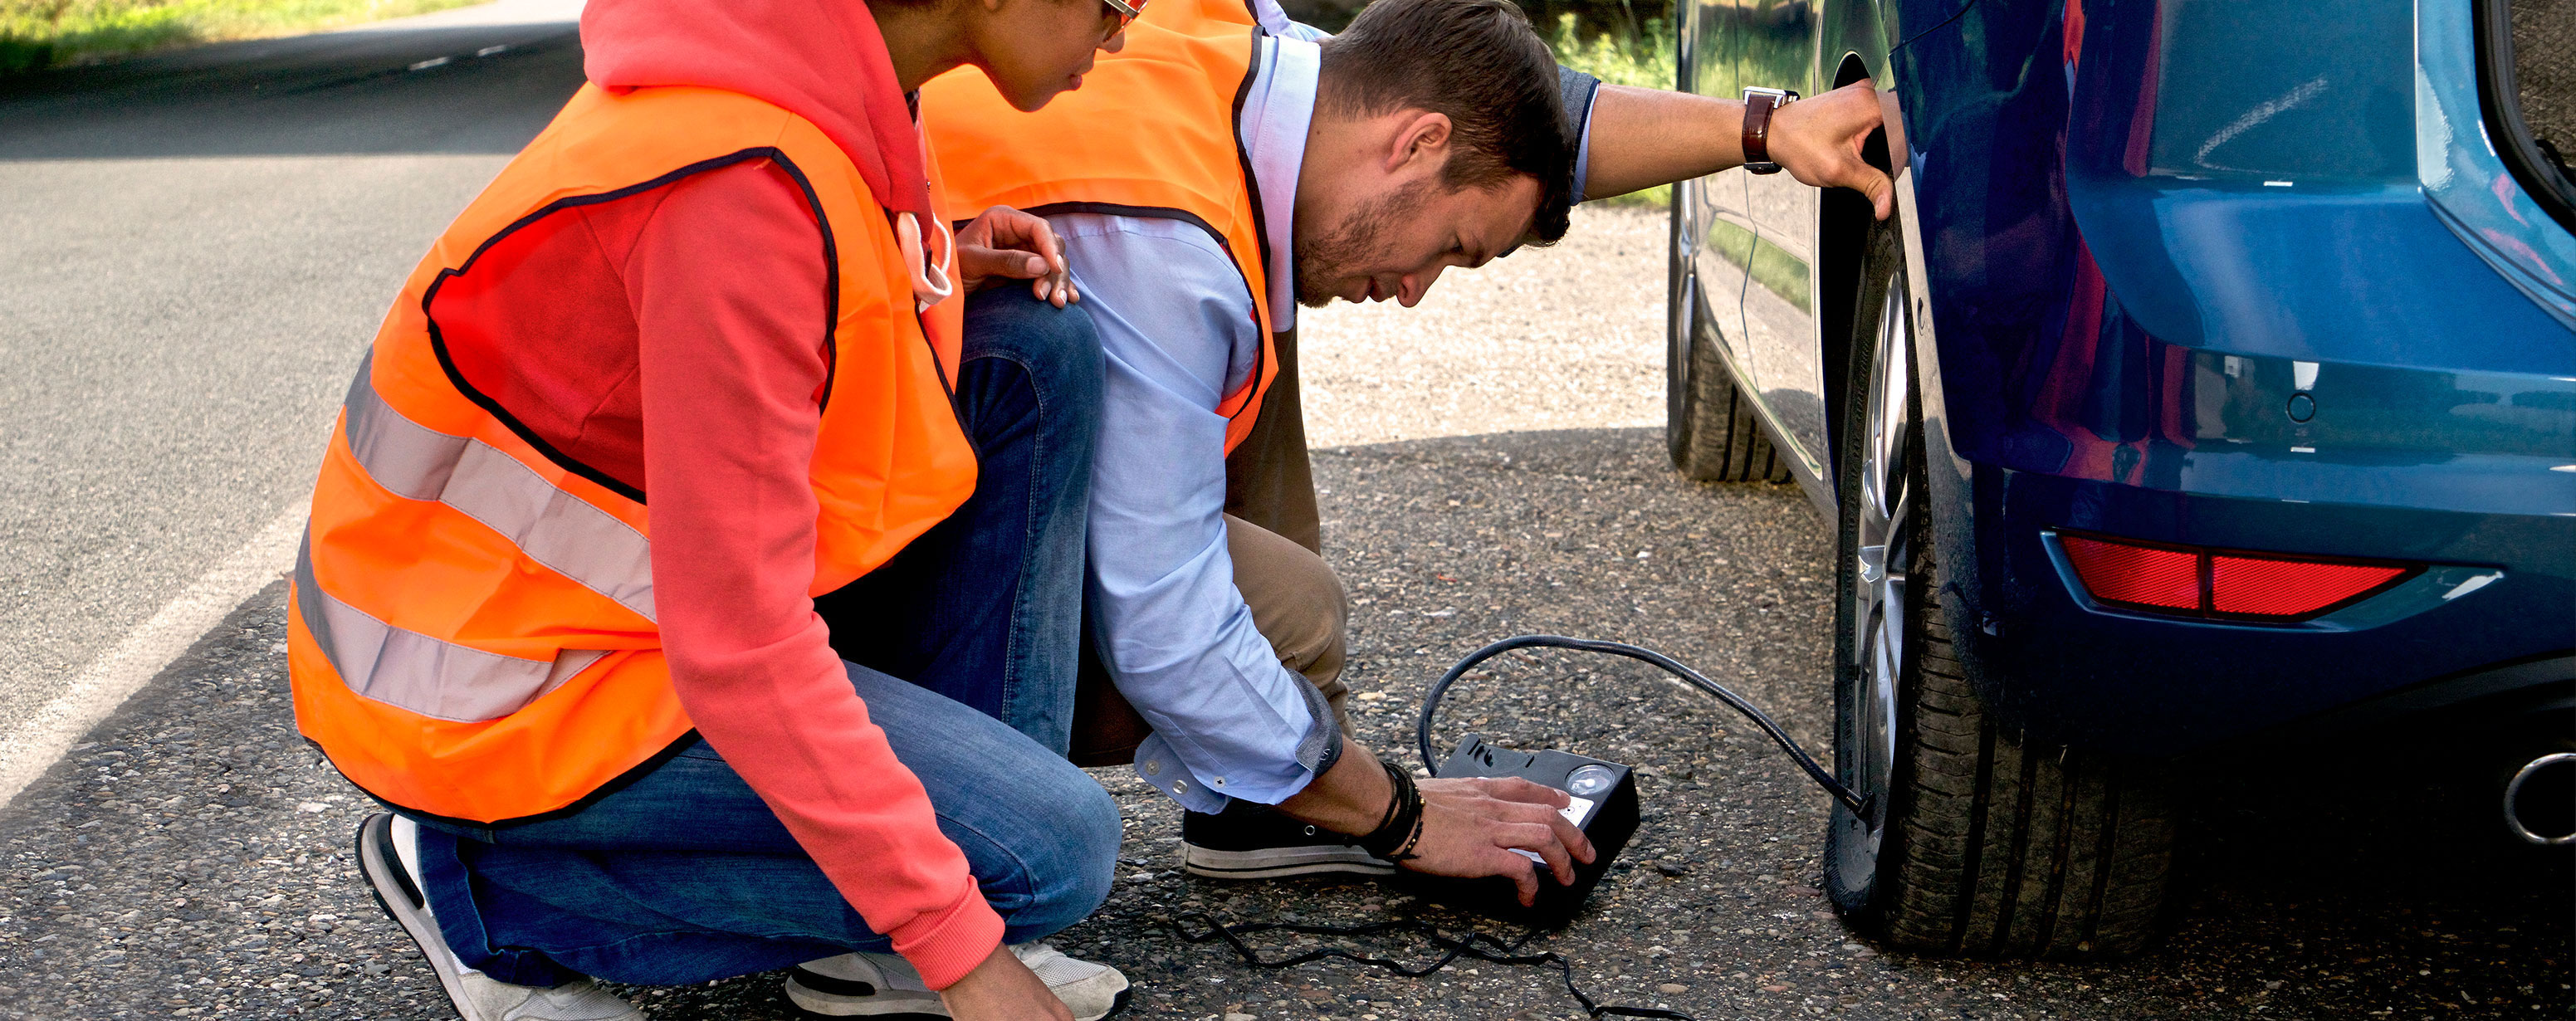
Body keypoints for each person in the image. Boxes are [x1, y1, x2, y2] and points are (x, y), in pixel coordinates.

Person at [920, 0, 1891, 899]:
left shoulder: (1250, 45)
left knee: (1293, 612)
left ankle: (1261, 791)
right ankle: (946, 844)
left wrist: (1763, 129)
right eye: (1454, 247)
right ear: (1416, 142)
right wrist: (1400, 817)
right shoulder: (1165, 256)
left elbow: (1517, 114)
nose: (1415, 290)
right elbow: (1165, 630)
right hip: (850, 580)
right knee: (1062, 845)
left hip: (909, 460)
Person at [288, 0, 1146, 1019]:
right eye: (1115, 2)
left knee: (1027, 355)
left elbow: (791, 313)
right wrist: (965, 953)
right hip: (499, 679)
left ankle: (934, 888)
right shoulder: (736, 187)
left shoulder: (830, 71)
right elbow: (742, 646)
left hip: (640, 604)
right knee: (1052, 855)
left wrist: (938, 257)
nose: (1122, 34)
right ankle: (482, 889)